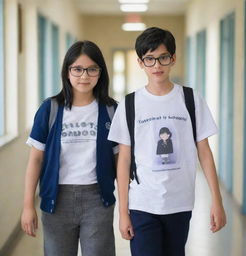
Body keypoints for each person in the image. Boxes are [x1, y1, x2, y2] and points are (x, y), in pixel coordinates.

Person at [108, 27, 226, 256]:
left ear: (173, 58)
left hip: (180, 202)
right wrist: (123, 212)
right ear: (141, 63)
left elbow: (204, 151)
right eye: (149, 59)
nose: (157, 66)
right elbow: (123, 160)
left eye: (163, 57)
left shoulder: (191, 99)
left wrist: (217, 200)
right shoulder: (130, 104)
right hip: (142, 202)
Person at [21, 40, 117, 256]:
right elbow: (35, 160)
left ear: (100, 72)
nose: (84, 76)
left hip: (98, 199)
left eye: (92, 69)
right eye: (78, 69)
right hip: (57, 200)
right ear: (67, 72)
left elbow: (120, 162)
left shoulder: (111, 110)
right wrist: (28, 206)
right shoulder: (50, 109)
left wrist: (128, 206)